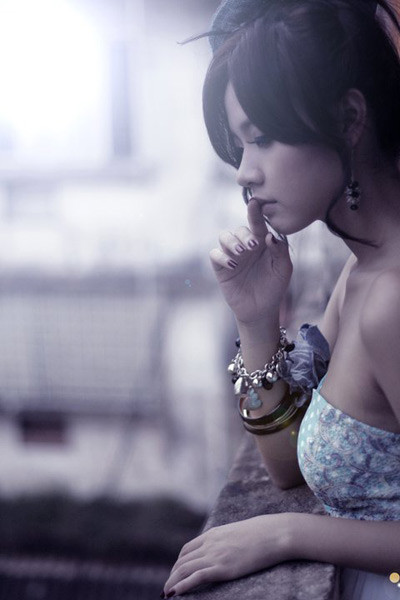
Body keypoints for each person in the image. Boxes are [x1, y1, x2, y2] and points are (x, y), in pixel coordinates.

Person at [161, 0, 400, 597]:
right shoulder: (361, 273)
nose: (244, 172)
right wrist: (256, 317)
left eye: (262, 138)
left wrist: (287, 534)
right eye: (240, 147)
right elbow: (289, 466)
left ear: (349, 118)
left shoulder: (392, 299)